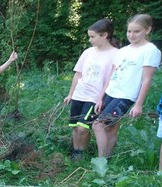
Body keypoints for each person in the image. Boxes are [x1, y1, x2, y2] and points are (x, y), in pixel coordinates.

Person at [93, 14, 161, 158]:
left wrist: (138, 104)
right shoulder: (123, 50)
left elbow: (146, 79)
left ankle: (101, 161)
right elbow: (112, 74)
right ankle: (108, 158)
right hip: (111, 92)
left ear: (147, 30)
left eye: (137, 31)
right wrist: (101, 97)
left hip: (126, 96)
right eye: (129, 31)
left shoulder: (150, 50)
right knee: (110, 128)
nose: (132, 35)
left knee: (98, 125)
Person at [63, 19, 119, 161]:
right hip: (79, 94)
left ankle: (82, 152)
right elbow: (78, 74)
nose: (90, 40)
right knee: (75, 127)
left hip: (94, 97)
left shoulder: (116, 54)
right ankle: (76, 151)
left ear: (104, 35)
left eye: (92, 37)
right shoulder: (88, 52)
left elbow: (110, 80)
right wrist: (70, 94)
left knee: (83, 127)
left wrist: (101, 98)